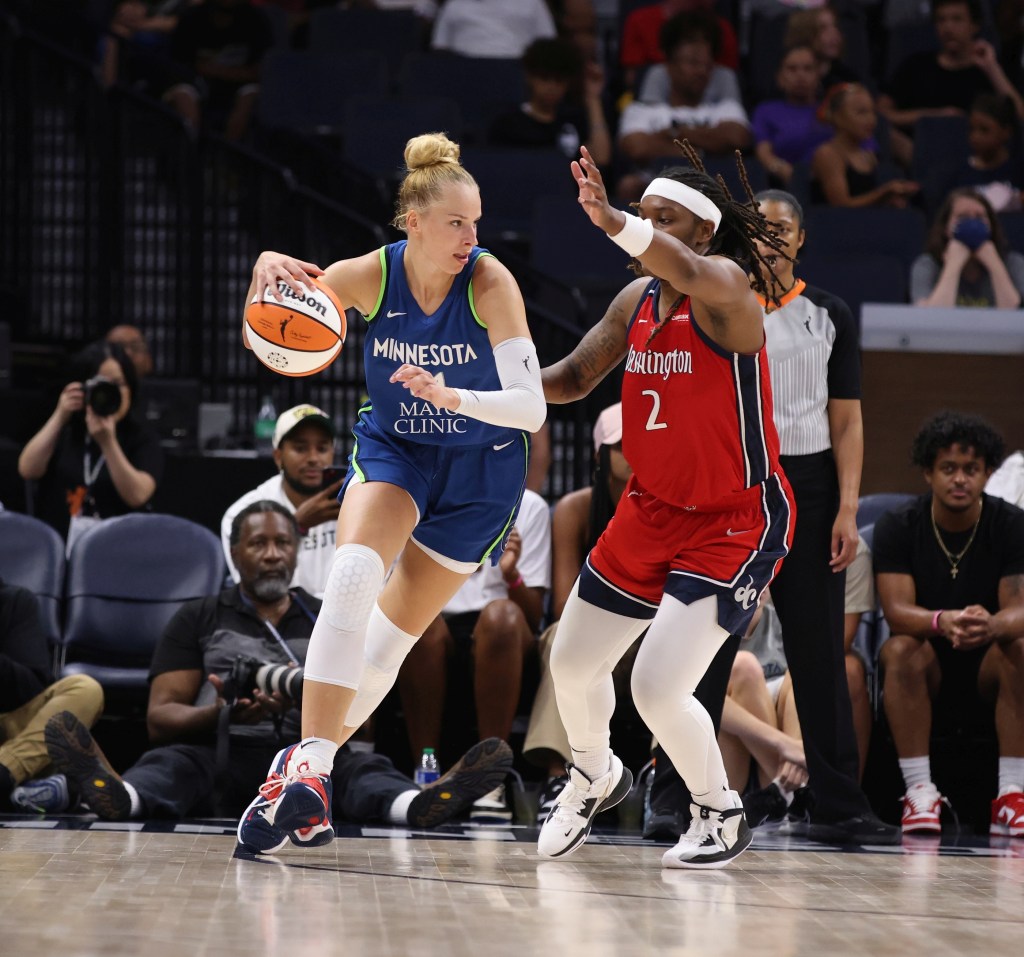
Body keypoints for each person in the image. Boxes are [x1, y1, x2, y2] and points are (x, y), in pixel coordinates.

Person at [234, 132, 546, 853]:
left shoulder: (492, 282)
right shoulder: (372, 275)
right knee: (349, 580)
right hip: (399, 448)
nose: (473, 236)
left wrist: (454, 394)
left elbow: (530, 408)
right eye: (456, 223)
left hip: (481, 470)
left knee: (385, 648)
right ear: (414, 223)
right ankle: (313, 770)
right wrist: (264, 268)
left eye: (476, 222)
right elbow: (276, 328)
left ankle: (296, 773)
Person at [535, 142, 795, 870]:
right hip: (650, 510)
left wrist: (613, 217)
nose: (643, 230)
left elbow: (682, 269)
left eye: (662, 218)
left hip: (735, 518)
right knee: (573, 660)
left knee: (655, 685)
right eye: (640, 215)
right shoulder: (635, 301)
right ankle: (594, 770)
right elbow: (572, 377)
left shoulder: (730, 293)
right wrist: (476, 386)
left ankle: (719, 811)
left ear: (704, 233)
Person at [647, 188, 901, 846]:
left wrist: (847, 505)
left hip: (811, 489)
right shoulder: (718, 298)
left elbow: (846, 420)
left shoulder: (829, 313)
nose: (771, 236)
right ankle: (672, 796)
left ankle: (839, 803)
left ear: (802, 238)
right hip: (734, 487)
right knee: (707, 649)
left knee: (820, 652)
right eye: (759, 226)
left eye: (782, 227)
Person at [42, 501, 512, 834]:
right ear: (235, 553)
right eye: (258, 544)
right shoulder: (198, 616)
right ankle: (121, 798)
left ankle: (418, 805)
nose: (272, 554)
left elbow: (364, 719)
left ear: (297, 550)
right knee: (171, 764)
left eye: (283, 543)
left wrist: (307, 701)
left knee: (362, 767)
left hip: (307, 755)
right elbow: (160, 718)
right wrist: (223, 713)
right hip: (220, 749)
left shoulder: (328, 613)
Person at [873, 412, 1024, 838]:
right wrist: (944, 622)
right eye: (949, 469)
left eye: (971, 470)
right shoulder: (899, 525)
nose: (960, 480)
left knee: (1021, 645)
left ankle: (1012, 796)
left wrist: (990, 626)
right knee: (898, 648)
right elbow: (896, 611)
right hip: (927, 666)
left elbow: (1020, 610)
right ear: (928, 472)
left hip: (989, 667)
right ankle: (920, 792)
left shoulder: (1012, 525)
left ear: (988, 473)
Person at [399, 488, 551, 823]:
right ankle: (426, 771)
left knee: (502, 618)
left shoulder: (529, 505)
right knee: (420, 624)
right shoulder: (420, 494)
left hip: (502, 633)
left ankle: (489, 777)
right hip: (435, 617)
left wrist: (511, 575)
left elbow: (534, 613)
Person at [522, 401, 635, 824]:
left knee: (678, 652)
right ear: (599, 453)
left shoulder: (668, 509)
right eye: (623, 445)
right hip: (593, 630)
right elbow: (564, 602)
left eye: (642, 442)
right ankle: (560, 775)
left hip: (646, 633)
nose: (635, 453)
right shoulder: (574, 510)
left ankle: (668, 774)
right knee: (557, 638)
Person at [17, 341, 165, 547]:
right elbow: (28, 469)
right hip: (59, 548)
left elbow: (138, 495)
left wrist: (108, 443)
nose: (111, 392)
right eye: (101, 384)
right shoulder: (67, 431)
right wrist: (60, 416)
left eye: (119, 383)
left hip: (120, 550)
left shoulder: (141, 437)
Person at [616, 14, 751, 201]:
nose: (702, 72)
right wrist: (705, 151)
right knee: (630, 185)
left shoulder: (725, 108)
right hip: (656, 187)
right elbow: (637, 147)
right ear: (670, 66)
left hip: (717, 187)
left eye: (707, 65)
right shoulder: (642, 110)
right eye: (693, 64)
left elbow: (737, 138)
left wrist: (673, 132)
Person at [1, 578, 104, 812]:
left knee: (85, 689)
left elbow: (30, 689)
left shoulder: (15, 600)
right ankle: (22, 793)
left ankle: (7, 772)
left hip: (13, 727)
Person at [221, 404, 341, 598]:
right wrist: (296, 527)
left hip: (343, 622)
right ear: (278, 457)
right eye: (300, 448)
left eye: (322, 448)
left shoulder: (353, 505)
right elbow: (255, 594)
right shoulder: (243, 514)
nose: (313, 458)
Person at [879, 0, 1024, 147]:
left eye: (957, 19)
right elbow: (880, 114)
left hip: (976, 154)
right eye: (941, 20)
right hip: (918, 151)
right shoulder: (915, 65)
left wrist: (992, 68)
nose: (948, 28)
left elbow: (1020, 118)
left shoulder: (989, 70)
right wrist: (931, 116)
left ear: (974, 25)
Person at [488, 37, 612, 168]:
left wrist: (593, 98)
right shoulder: (508, 124)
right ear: (530, 77)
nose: (552, 86)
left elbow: (601, 158)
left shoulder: (574, 120)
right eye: (545, 78)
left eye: (559, 80)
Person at [164, 0, 274, 141]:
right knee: (182, 94)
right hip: (197, 82)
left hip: (239, 86)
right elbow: (179, 64)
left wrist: (216, 70)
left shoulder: (256, 20)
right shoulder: (192, 18)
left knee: (251, 95)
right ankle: (190, 155)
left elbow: (260, 70)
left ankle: (227, 154)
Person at [910, 187, 1024, 308]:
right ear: (945, 227)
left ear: (991, 224)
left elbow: (1015, 317)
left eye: (980, 217)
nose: (973, 223)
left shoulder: (1014, 263)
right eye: (963, 217)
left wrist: (994, 264)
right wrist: (953, 265)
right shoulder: (927, 265)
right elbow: (929, 319)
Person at [810, 83, 920, 208]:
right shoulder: (827, 154)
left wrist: (892, 200)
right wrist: (884, 193)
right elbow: (840, 206)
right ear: (837, 117)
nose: (871, 120)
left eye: (872, 112)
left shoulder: (868, 155)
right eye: (861, 112)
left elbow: (869, 200)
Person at [752, 44, 834, 187]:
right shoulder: (766, 111)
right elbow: (763, 153)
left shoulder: (833, 110)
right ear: (780, 77)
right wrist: (782, 169)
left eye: (808, 69)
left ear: (818, 75)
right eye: (792, 69)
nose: (800, 75)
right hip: (783, 185)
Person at [619, 0, 740, 93]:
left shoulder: (723, 30)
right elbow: (632, 80)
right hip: (656, 98)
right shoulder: (640, 21)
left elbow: (727, 83)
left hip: (712, 105)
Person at [952, 93, 1024, 211]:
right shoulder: (960, 174)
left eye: (984, 130)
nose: (975, 137)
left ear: (1006, 132)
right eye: (971, 129)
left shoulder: (1019, 170)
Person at [430, 0, 556, 58]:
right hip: (463, 72)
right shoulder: (454, 5)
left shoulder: (533, 3)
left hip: (516, 71)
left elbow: (549, 44)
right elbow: (440, 47)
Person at [783, 4, 863, 93]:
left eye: (835, 26)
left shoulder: (847, 81)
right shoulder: (784, 81)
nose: (833, 34)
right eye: (823, 28)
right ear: (804, 33)